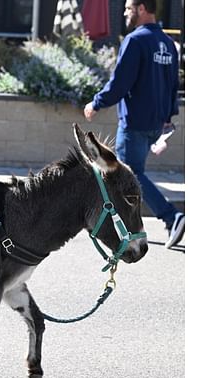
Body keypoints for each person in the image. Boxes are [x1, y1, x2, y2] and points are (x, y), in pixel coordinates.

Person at [83, 0, 184, 249]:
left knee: (129, 174)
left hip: (135, 122)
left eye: (128, 8)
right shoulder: (167, 44)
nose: (126, 13)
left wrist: (96, 102)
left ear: (141, 9)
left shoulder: (135, 41)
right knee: (130, 173)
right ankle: (123, 225)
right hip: (155, 122)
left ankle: (171, 217)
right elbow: (174, 85)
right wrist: (168, 117)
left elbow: (120, 82)